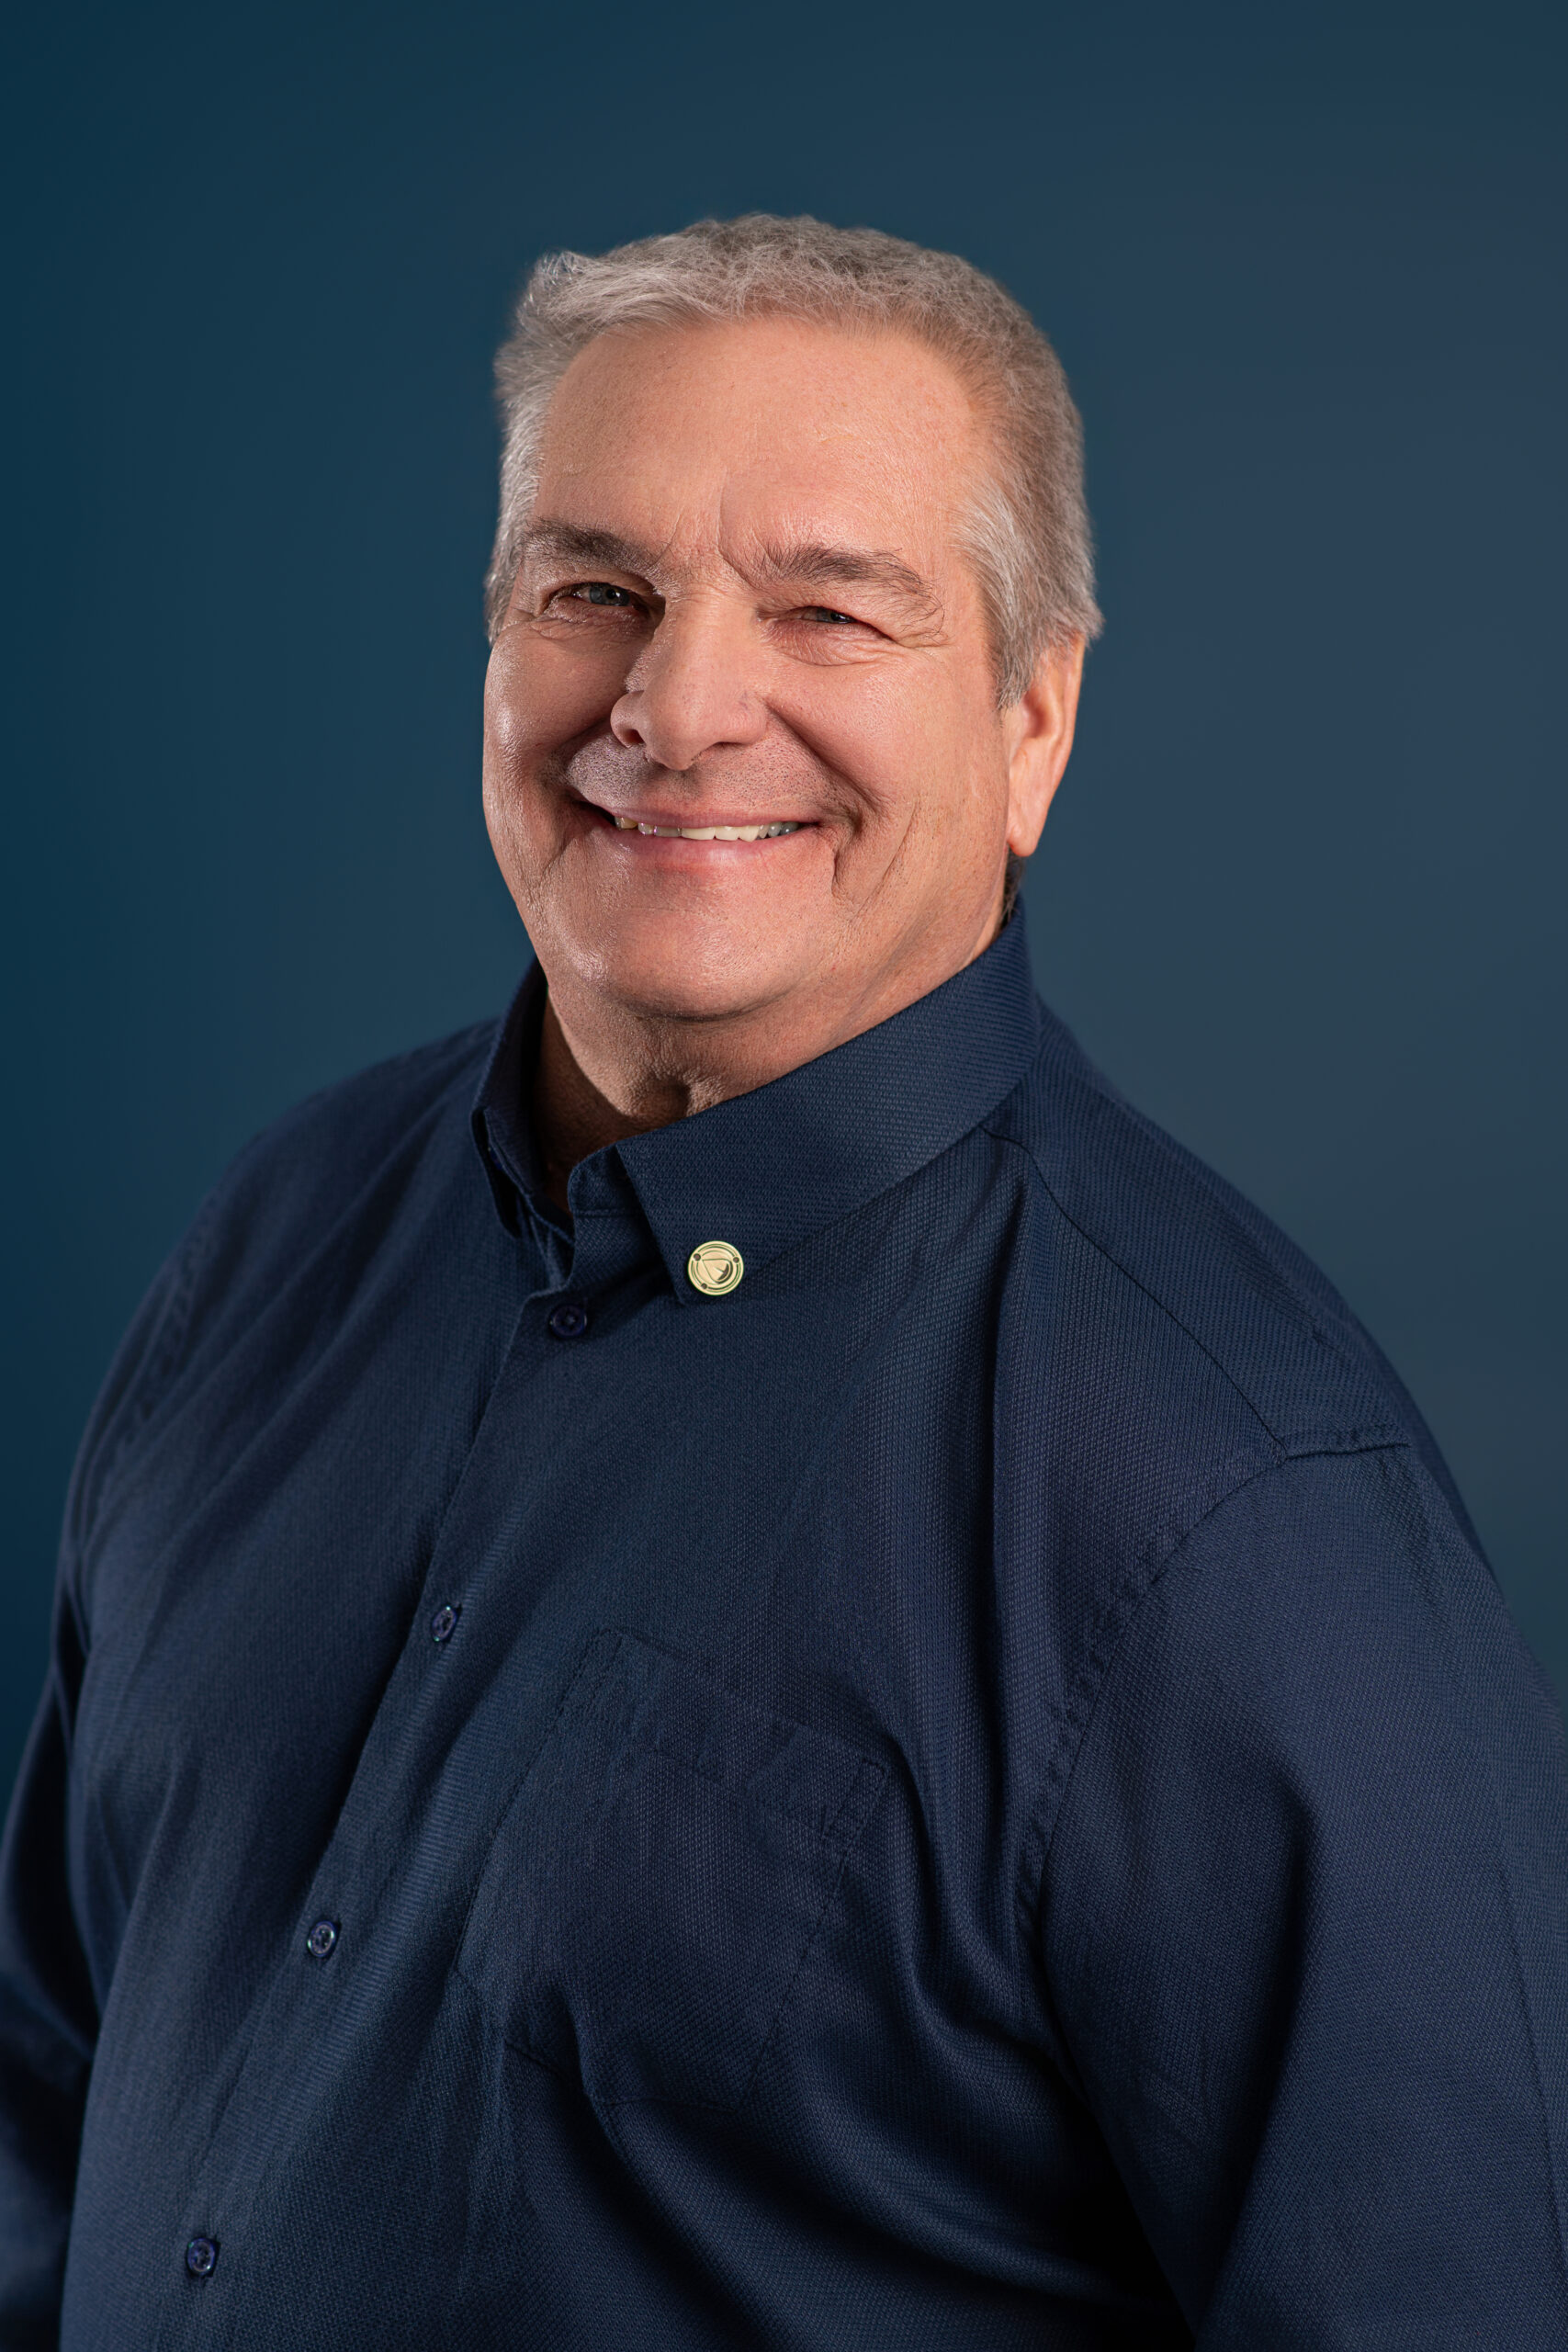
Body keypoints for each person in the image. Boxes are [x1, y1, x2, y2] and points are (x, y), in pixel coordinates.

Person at [2, 215, 1563, 2350]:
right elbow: (48, 2077)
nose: (672, 706)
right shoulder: (282, 1233)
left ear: (1030, 717)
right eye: (590, 590)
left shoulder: (1234, 1509)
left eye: (824, 609)